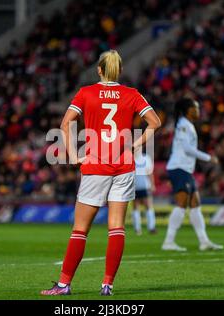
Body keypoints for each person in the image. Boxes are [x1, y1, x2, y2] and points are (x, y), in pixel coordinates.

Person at [41, 50, 161, 296]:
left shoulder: (86, 93)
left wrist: (74, 156)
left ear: (99, 70)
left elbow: (66, 124)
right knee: (116, 227)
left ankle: (64, 285)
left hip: (96, 165)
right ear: (120, 71)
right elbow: (155, 122)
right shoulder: (132, 94)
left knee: (80, 229)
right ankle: (107, 285)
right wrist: (136, 145)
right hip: (124, 165)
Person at [162, 98, 223, 251]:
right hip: (179, 167)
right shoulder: (183, 125)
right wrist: (209, 158)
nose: (198, 110)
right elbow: (187, 148)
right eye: (195, 108)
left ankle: (204, 241)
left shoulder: (187, 125)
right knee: (182, 204)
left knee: (195, 204)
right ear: (188, 110)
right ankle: (168, 242)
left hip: (185, 169)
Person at [132, 151, 156, 235]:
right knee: (135, 207)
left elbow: (150, 172)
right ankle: (137, 229)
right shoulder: (130, 158)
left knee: (148, 206)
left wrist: (152, 184)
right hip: (134, 186)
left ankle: (151, 227)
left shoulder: (146, 158)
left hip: (145, 186)